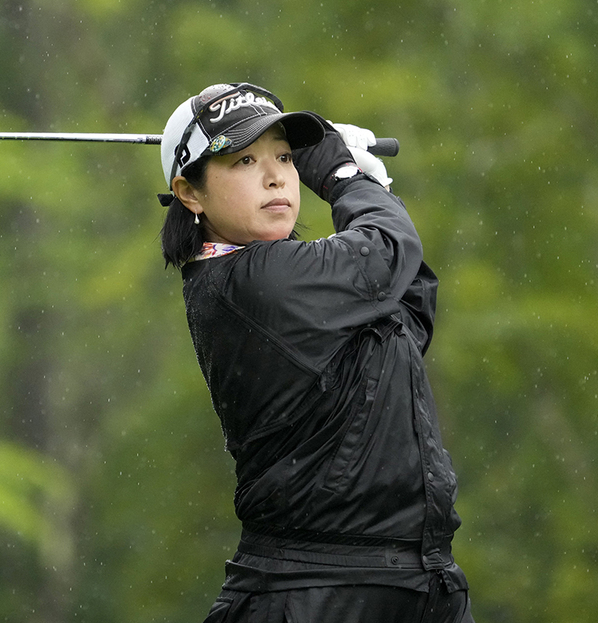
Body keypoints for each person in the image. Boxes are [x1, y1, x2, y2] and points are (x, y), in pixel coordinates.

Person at [157, 83, 475, 623]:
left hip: (418, 582)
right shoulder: (252, 281)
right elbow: (388, 253)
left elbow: (410, 314)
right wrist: (345, 176)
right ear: (190, 193)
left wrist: (376, 187)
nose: (277, 175)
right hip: (310, 590)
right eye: (244, 160)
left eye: (284, 156)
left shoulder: (297, 277)